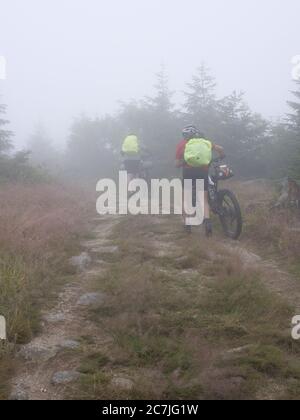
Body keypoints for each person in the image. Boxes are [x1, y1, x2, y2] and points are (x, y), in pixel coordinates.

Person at [175, 125, 225, 236]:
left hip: (188, 172)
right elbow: (220, 149)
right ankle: (207, 223)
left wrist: (184, 162)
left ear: (185, 136)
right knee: (204, 199)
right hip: (202, 172)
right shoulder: (205, 142)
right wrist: (222, 155)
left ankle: (187, 224)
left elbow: (177, 164)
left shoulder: (182, 144)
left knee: (185, 198)